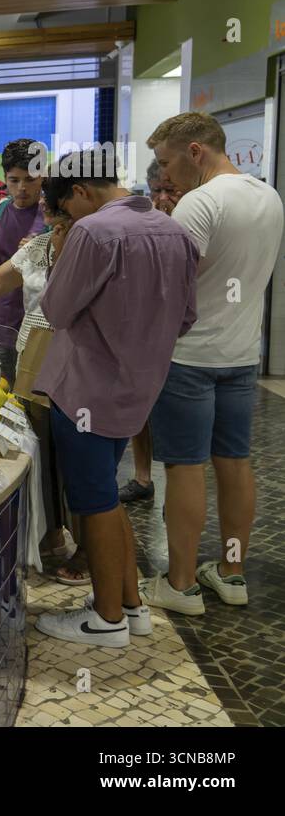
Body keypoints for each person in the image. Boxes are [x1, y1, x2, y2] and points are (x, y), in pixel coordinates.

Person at [33, 148, 198, 648]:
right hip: (139, 387)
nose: (67, 219)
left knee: (93, 503)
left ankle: (105, 620)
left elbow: (57, 310)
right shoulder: (174, 230)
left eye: (67, 208)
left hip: (87, 387)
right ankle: (130, 604)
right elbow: (188, 316)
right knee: (107, 494)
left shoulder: (93, 232)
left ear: (81, 192)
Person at [142, 112, 285, 614]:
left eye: (165, 162)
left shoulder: (199, 204)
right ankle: (231, 572)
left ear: (195, 151)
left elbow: (169, 288)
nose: (163, 176)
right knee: (235, 462)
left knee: (184, 468)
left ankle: (179, 585)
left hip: (189, 357)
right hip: (243, 355)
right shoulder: (269, 195)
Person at [0, 207, 87, 582]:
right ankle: (50, 537)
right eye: (57, 224)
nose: (60, 231)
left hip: (76, 362)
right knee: (39, 452)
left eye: (67, 224)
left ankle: (88, 549)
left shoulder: (91, 253)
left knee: (76, 459)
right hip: (31, 358)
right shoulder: (36, 249)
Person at [119, 159, 183, 505]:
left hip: (181, 337)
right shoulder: (145, 224)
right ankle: (143, 477)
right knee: (139, 411)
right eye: (156, 191)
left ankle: (179, 489)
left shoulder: (192, 222)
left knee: (173, 416)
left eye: (170, 190)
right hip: (142, 333)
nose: (162, 198)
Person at [0, 139, 47, 380]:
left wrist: (40, 253)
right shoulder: (0, 212)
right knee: (1, 393)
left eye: (29, 180)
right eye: (14, 180)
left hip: (42, 327)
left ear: (43, 177)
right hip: (3, 323)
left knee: (33, 401)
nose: (21, 188)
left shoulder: (53, 216)